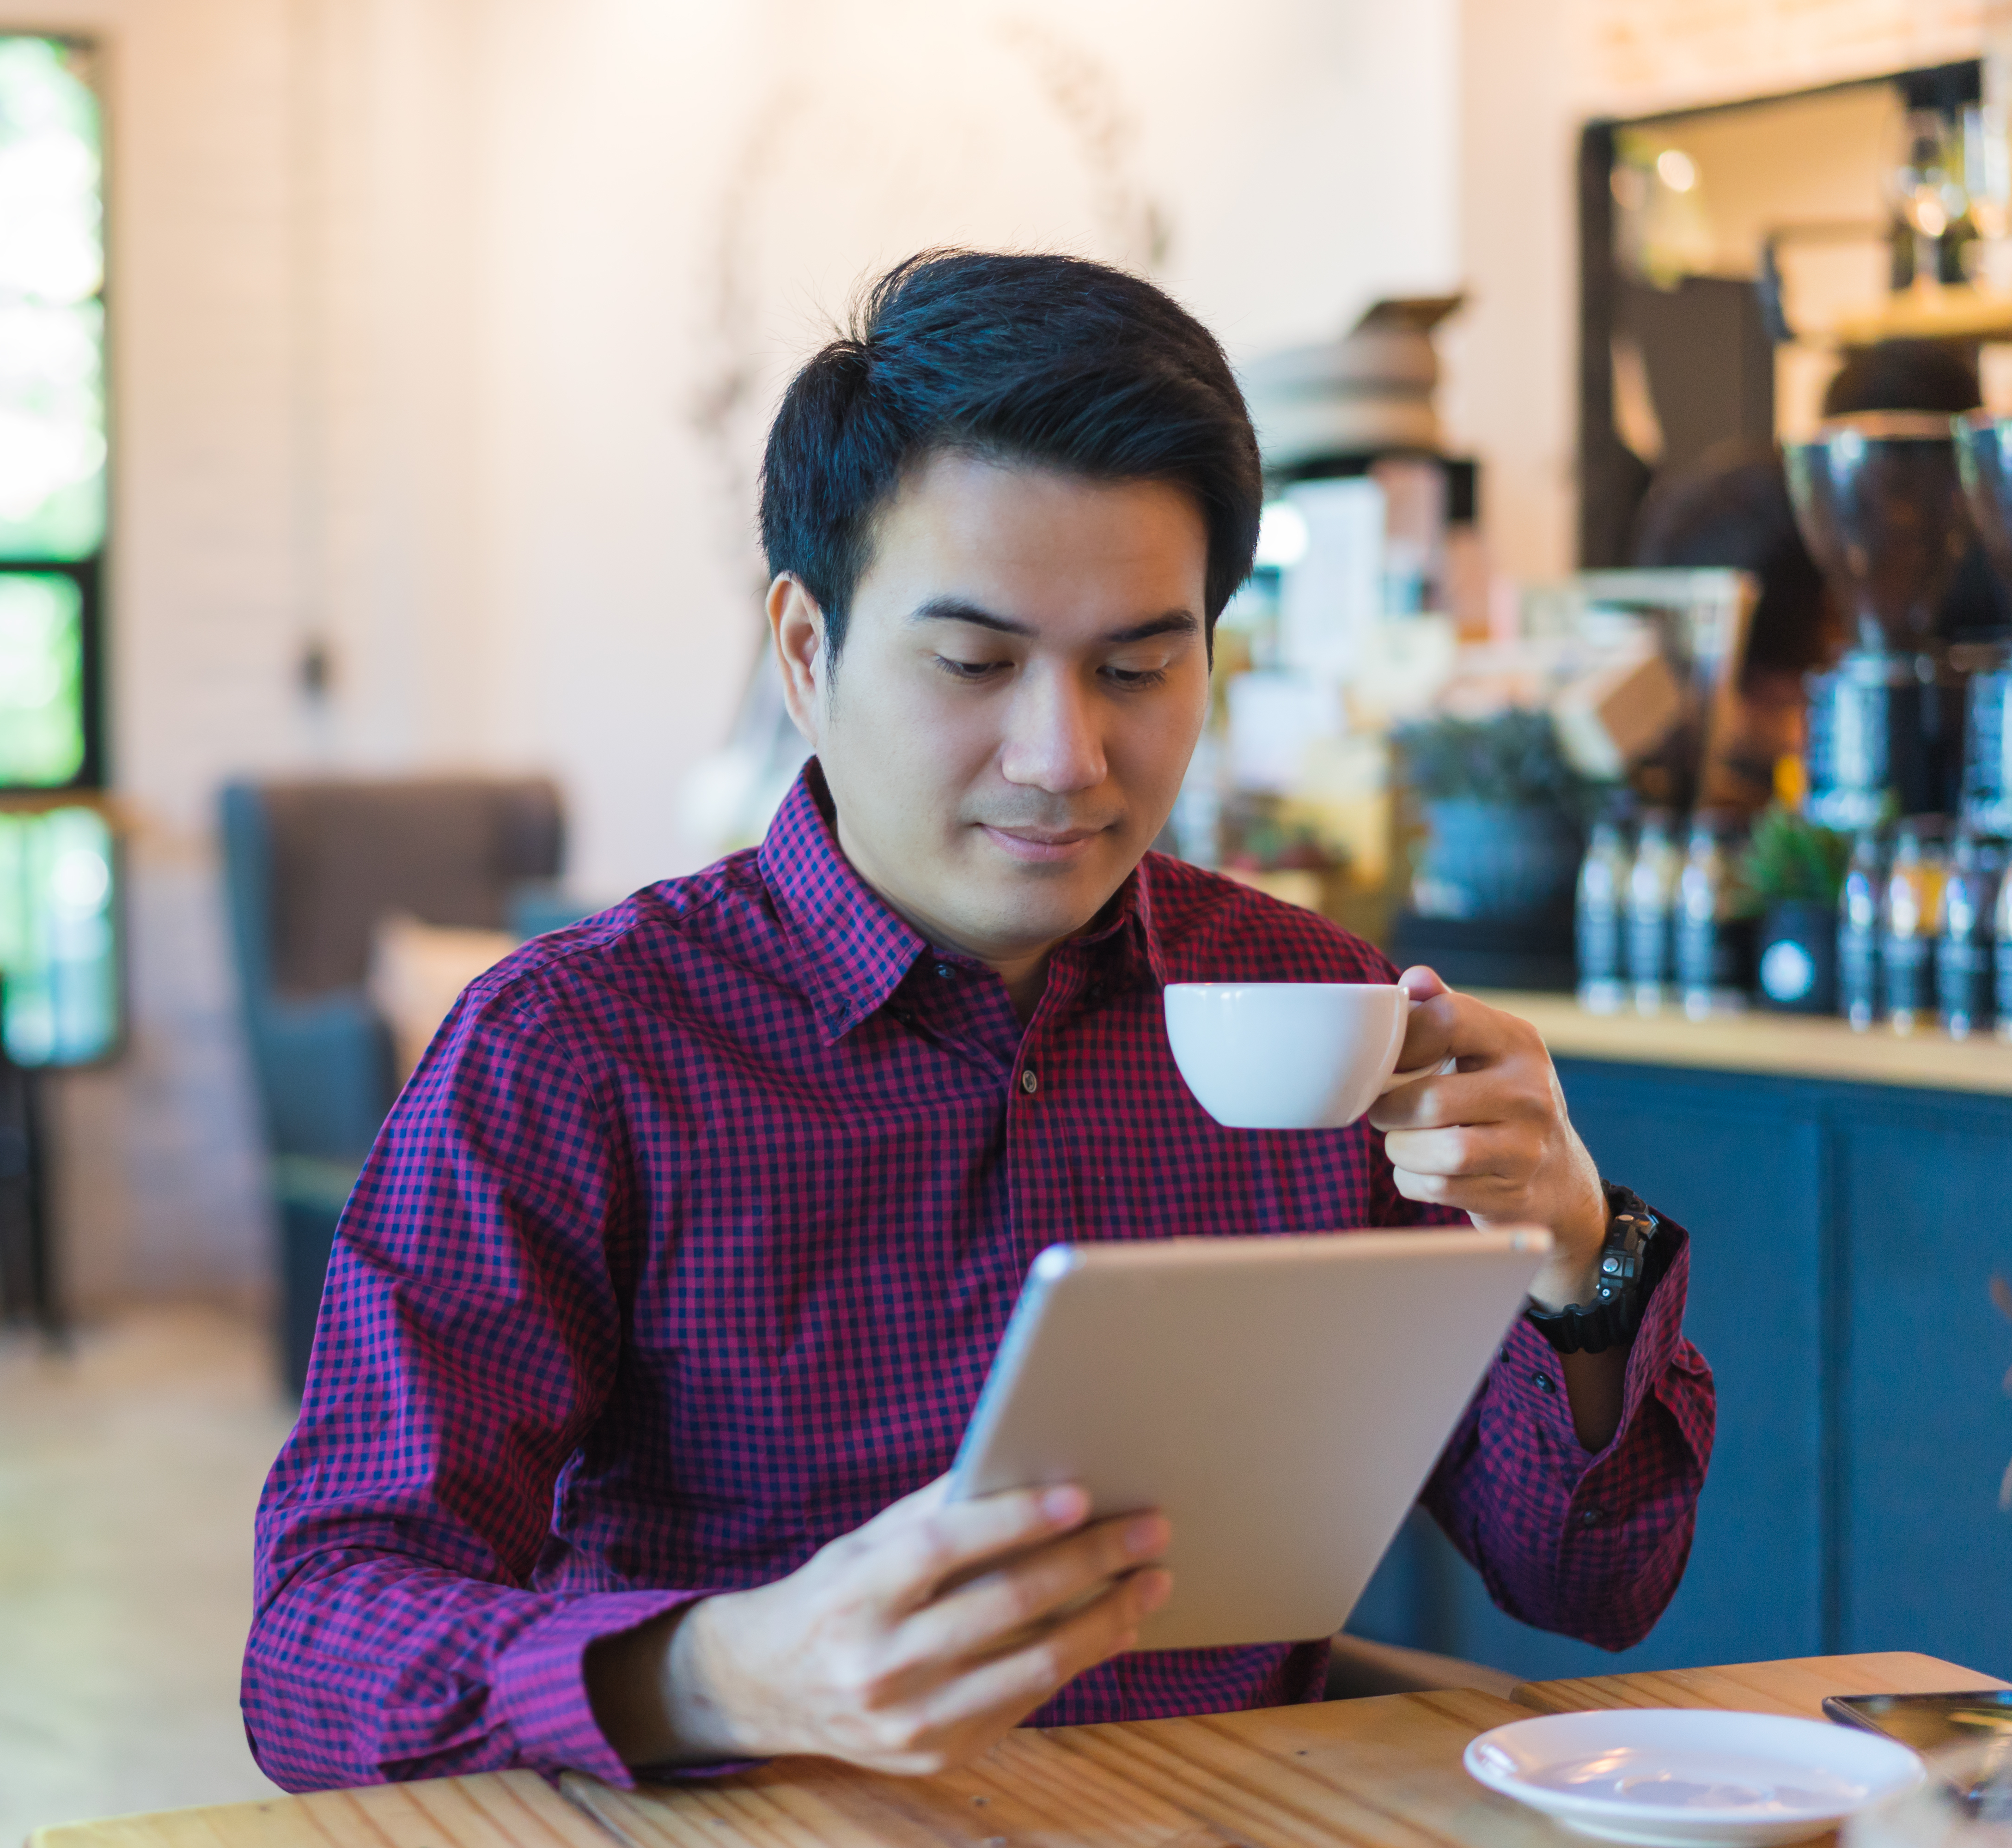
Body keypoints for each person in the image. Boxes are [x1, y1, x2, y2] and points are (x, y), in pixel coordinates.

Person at [244, 250, 1714, 1791]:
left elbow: (1594, 1587)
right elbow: (319, 1646)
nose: (1063, 755)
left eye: (1139, 666)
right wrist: (726, 1671)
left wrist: (1570, 1252)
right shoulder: (578, 1048)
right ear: (807, 654)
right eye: (974, 662)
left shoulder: (1312, 1013)